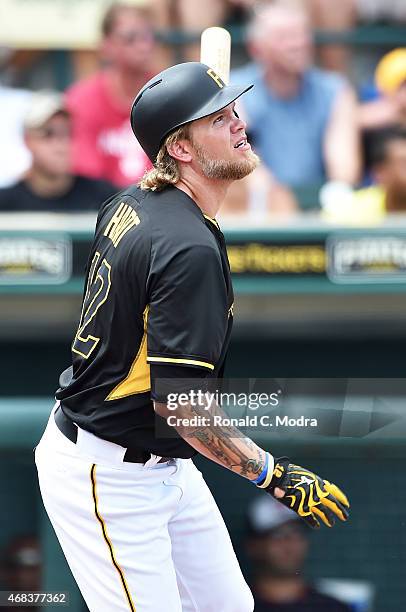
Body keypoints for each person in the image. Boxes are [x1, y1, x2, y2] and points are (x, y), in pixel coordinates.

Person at [35, 61, 349, 612]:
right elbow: (182, 407)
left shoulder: (133, 201)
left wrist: (201, 115)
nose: (238, 123)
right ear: (180, 148)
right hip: (109, 475)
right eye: (218, 117)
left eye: (234, 109)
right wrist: (274, 474)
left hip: (163, 462)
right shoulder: (186, 247)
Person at [231, 2, 361, 189]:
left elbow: (344, 168)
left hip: (319, 206)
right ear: (256, 48)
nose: (297, 44)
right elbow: (244, 166)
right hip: (260, 207)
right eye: (284, 37)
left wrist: (336, 196)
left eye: (302, 34)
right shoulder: (234, 91)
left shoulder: (335, 90)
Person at [65, 2, 155, 188]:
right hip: (100, 206)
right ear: (106, 46)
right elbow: (86, 175)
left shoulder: (168, 94)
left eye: (148, 36)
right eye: (130, 38)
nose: (143, 45)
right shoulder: (82, 100)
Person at [0, 91, 117, 212]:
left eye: (67, 133)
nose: (61, 146)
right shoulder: (6, 204)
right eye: (48, 134)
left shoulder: (104, 197)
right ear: (27, 140)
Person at [245, 496, 351, 611]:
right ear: (253, 545)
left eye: (296, 533)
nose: (288, 543)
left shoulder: (333, 608)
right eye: (277, 535)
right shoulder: (235, 606)